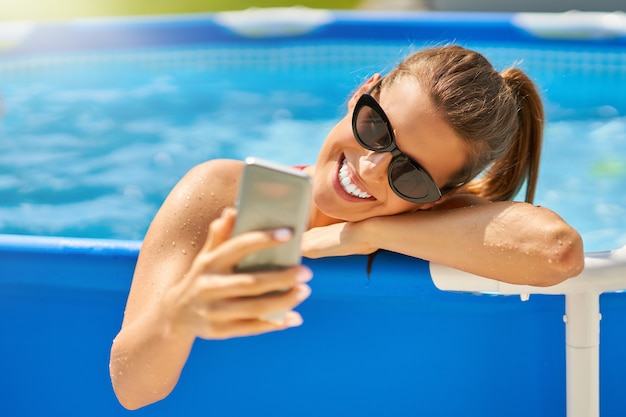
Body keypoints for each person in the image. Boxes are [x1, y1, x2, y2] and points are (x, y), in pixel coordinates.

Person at [109, 44, 584, 409]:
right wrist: (179, 314)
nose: (372, 168)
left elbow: (557, 251)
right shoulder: (223, 194)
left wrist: (366, 234)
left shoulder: (436, 222)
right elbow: (132, 388)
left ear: (436, 196)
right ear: (363, 94)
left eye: (409, 174)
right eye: (376, 130)